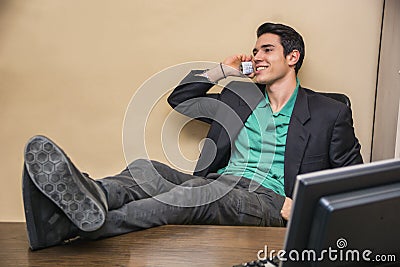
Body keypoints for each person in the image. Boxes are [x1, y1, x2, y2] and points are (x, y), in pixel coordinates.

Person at [22, 22, 363, 250]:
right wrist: (223, 71)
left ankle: (76, 226)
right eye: (255, 51)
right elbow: (181, 99)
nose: (257, 57)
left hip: (271, 203)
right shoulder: (238, 97)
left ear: (293, 57)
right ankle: (91, 196)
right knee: (146, 169)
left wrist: (304, 208)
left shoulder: (328, 112)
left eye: (267, 50)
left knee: (203, 191)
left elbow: (355, 182)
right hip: (219, 183)